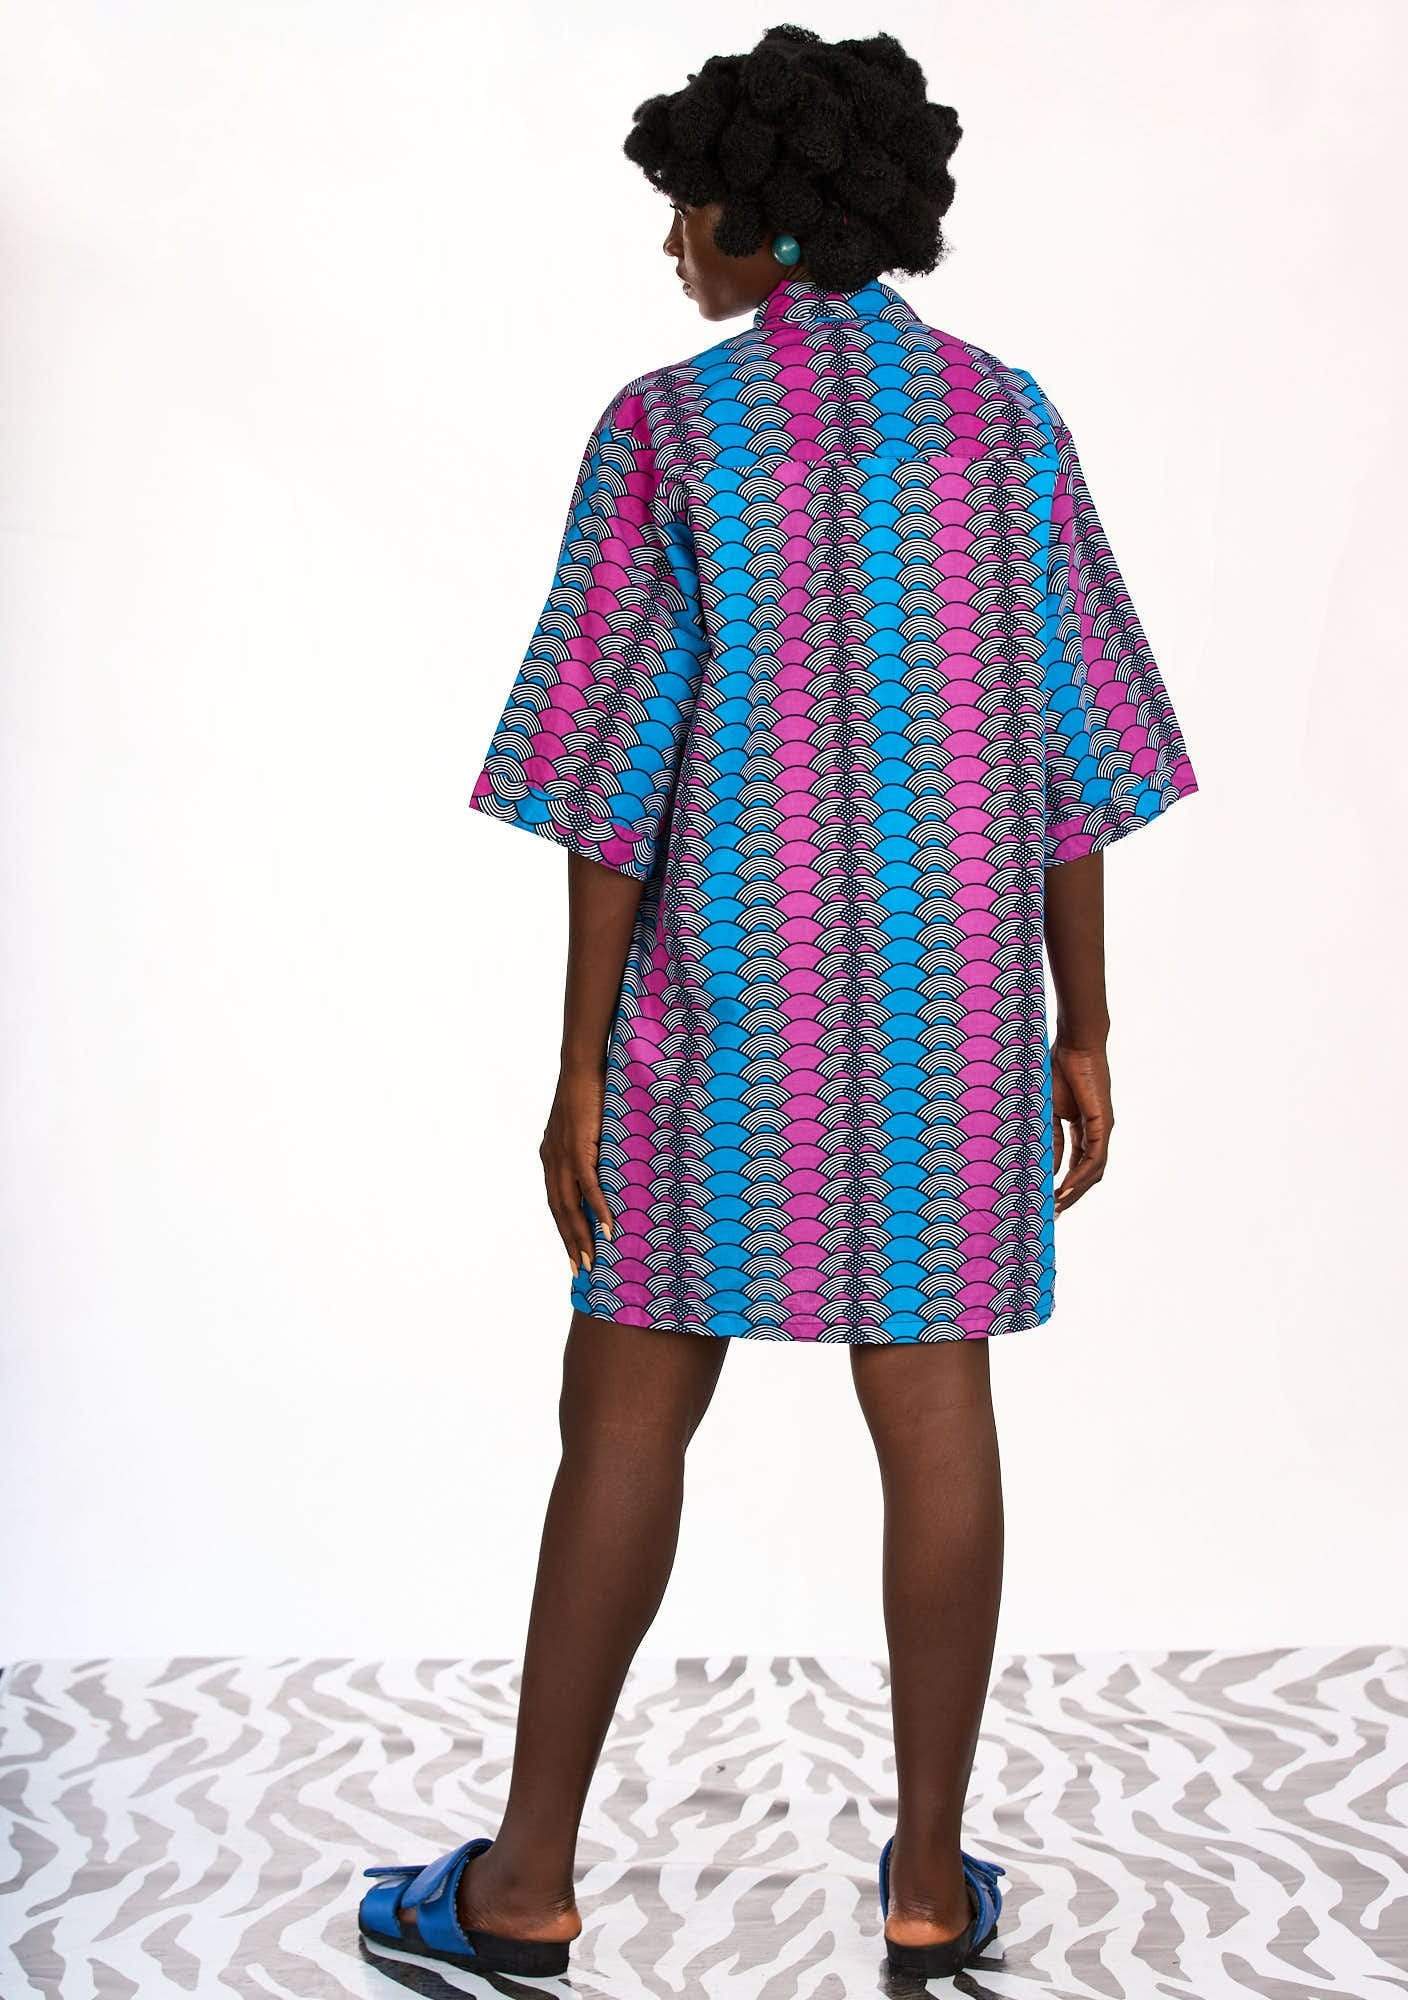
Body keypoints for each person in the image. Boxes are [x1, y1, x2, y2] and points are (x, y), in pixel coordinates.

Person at [358, 22, 1199, 1984]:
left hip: (723, 1002)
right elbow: (1071, 759)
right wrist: (1082, 1021)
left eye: (686, 207)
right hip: (951, 1005)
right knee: (936, 1405)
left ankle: (524, 1882)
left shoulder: (672, 431)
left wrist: (577, 1062)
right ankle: (929, 1882)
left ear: (760, 217)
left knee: (622, 1416)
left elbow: (607, 784)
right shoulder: (1005, 424)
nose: (670, 241)